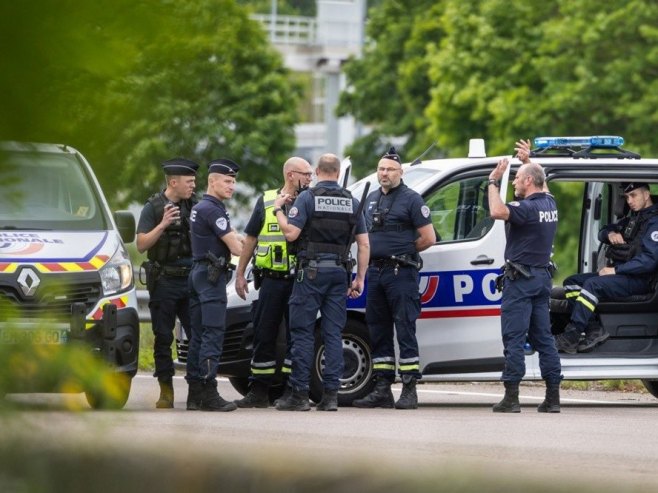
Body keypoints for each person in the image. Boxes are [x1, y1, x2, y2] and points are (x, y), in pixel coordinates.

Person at [271, 153, 369, 411]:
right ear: (337, 172)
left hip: (311, 273)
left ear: (317, 171)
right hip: (339, 274)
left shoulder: (307, 198)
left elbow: (291, 234)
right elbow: (364, 244)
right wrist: (359, 278)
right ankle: (331, 397)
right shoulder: (352, 201)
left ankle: (300, 395)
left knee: (302, 333)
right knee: (333, 333)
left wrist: (278, 210)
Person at [352, 147, 436, 410]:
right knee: (378, 331)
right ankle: (382, 389)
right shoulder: (372, 198)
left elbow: (428, 238)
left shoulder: (412, 200)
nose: (384, 173)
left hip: (401, 273)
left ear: (401, 172)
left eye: (389, 169)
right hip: (376, 273)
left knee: (405, 329)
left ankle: (409, 389)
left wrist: (403, 252)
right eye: (380, 169)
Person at [487, 140, 562, 413]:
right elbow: (542, 184)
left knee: (514, 338)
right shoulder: (549, 204)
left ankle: (512, 397)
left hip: (520, 281)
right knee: (544, 339)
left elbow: (497, 211)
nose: (514, 183)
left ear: (529, 181)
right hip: (542, 278)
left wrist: (493, 182)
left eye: (517, 178)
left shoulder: (526, 209)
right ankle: (553, 398)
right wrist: (527, 160)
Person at [233, 157, 313, 408]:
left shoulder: (310, 200)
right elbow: (251, 238)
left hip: (300, 280)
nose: (310, 179)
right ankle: (258, 391)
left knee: (296, 336)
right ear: (290, 175)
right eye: (306, 174)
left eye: (311, 174)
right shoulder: (267, 200)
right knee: (263, 333)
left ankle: (291, 390)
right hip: (271, 280)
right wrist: (240, 273)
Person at [555, 182, 658, 354]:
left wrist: (615, 271)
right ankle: (594, 329)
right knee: (571, 282)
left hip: (640, 280)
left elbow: (649, 261)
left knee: (592, 285)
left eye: (633, 196)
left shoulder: (654, 223)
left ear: (646, 195)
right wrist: (611, 234)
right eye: (627, 197)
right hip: (623, 277)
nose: (629, 201)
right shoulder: (634, 218)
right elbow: (603, 230)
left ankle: (571, 336)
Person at [136, 157, 198, 409]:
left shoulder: (195, 204)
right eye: (189, 181)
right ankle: (166, 392)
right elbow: (141, 245)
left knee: (197, 335)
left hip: (191, 279)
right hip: (164, 281)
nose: (193, 185)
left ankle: (196, 391)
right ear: (173, 182)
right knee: (163, 337)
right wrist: (162, 224)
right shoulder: (152, 207)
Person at [186, 158, 244, 412]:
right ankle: (209, 393)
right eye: (228, 181)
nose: (232, 186)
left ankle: (194, 395)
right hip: (211, 278)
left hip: (198, 273)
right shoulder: (213, 209)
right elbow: (236, 248)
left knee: (198, 336)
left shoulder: (201, 207)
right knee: (212, 333)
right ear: (213, 181)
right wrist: (245, 242)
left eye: (234, 182)